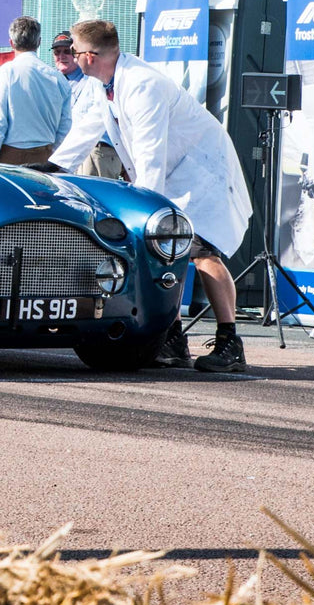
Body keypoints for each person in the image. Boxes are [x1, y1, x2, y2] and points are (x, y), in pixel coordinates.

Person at [53, 20, 252, 373]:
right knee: (167, 257)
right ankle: (173, 341)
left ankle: (230, 343)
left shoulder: (143, 86)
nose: (70, 57)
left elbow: (150, 155)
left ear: (90, 56)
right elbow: (88, 129)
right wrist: (53, 167)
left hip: (203, 177)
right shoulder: (107, 82)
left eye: (74, 51)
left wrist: (145, 213)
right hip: (178, 175)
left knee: (202, 252)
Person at [0, 17, 71, 165]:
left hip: (9, 157)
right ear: (39, 42)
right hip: (45, 155)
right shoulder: (57, 78)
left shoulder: (5, 73)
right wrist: (53, 155)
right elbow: (65, 125)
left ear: (11, 43)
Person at [51, 31, 122, 178]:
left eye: (67, 52)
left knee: (95, 198)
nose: (61, 56)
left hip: (96, 151)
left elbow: (96, 119)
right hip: (70, 151)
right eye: (57, 52)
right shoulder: (54, 80)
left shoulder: (92, 78)